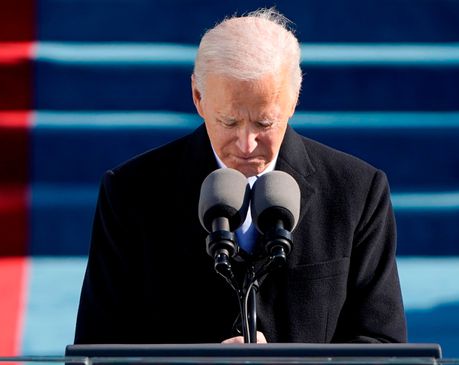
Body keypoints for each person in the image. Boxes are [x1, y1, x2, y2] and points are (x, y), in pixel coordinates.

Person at [73, 8, 406, 344]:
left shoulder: (357, 192)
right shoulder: (131, 194)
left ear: (294, 101)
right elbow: (98, 353)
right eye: (229, 122)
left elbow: (383, 349)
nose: (247, 144)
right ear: (198, 98)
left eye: (264, 123)